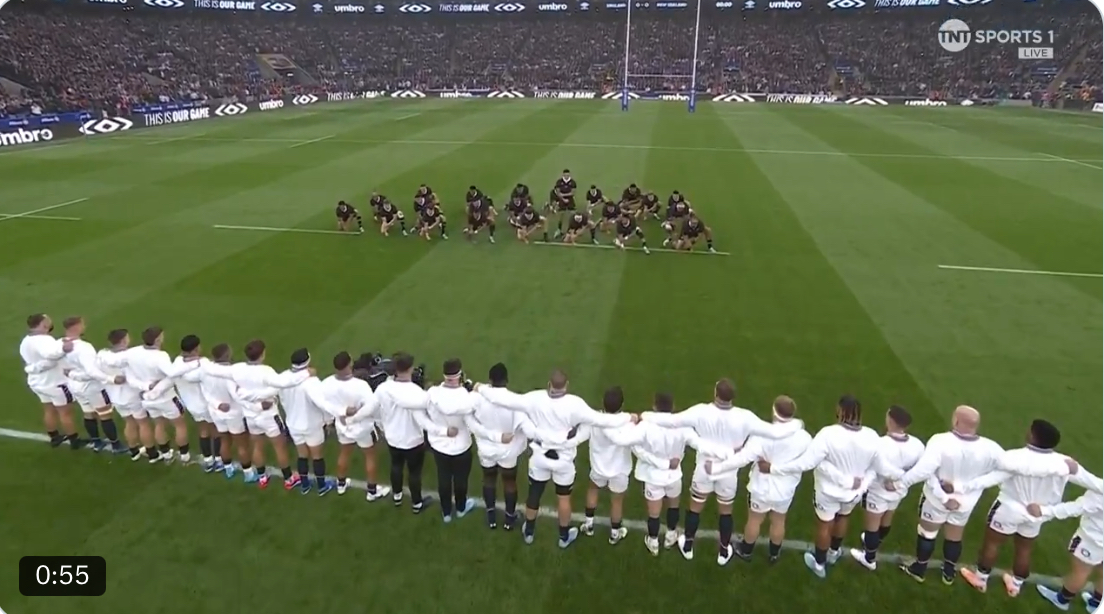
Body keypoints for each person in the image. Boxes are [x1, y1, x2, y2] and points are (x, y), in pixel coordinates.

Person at [640, 379, 804, 565]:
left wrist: (644, 416)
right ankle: (724, 550)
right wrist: (797, 424)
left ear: (715, 393)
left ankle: (688, 546)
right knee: (726, 510)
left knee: (696, 506)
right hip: (728, 471)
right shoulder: (745, 417)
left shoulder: (700, 411)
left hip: (704, 469)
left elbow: (671, 421)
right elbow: (775, 432)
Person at [475, 370, 637, 548]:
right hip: (563, 462)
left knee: (534, 494)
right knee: (563, 498)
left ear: (548, 385)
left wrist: (480, 388)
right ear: (566, 386)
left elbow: (504, 399)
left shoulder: (535, 398)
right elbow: (603, 420)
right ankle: (563, 537)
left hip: (540, 458)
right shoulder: (575, 404)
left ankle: (529, 532)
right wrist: (629, 417)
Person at [760, 395, 903, 579]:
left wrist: (774, 468)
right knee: (843, 517)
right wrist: (899, 478)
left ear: (840, 412)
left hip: (828, 493)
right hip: (852, 495)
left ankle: (819, 563)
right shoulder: (872, 436)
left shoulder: (828, 434)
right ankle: (834, 553)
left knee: (824, 525)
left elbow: (805, 463)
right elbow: (881, 468)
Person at [956, 420, 1098, 597]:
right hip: (1038, 513)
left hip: (1008, 509)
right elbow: (1094, 483)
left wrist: (960, 488)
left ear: (1032, 435)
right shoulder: (1065, 463)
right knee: (1025, 549)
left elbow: (992, 477)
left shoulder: (1015, 458)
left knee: (992, 544)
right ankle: (1015, 585)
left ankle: (981, 578)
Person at [894, 406, 1033, 585]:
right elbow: (1009, 470)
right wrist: (970, 486)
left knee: (927, 533)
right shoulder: (991, 448)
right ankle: (949, 572)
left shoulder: (940, 441)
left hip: (937, 500)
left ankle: (919, 569)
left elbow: (925, 471)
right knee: (955, 536)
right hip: (965, 503)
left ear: (956, 421)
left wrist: (901, 483)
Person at [704, 395, 810, 564]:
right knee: (779, 521)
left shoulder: (763, 435)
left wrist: (717, 468)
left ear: (774, 412)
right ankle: (774, 554)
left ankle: (746, 550)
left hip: (762, 488)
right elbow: (806, 462)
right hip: (785, 490)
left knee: (755, 519)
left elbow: (742, 459)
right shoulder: (804, 438)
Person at [468, 362, 564, 531]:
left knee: (489, 479)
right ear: (507, 380)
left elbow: (470, 420)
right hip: (508, 452)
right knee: (509, 481)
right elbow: (528, 430)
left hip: (486, 450)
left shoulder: (476, 399)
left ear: (490, 380)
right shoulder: (514, 402)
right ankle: (509, 519)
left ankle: (491, 517)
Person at [202, 339, 311, 487]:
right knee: (279, 446)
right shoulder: (266, 371)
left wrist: (199, 361)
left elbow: (213, 370)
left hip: (250, 416)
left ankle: (261, 477)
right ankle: (288, 479)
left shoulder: (238, 369)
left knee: (257, 446)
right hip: (268, 416)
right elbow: (284, 383)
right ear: (263, 354)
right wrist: (305, 373)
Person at [636, 391, 732, 556]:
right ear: (673, 407)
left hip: (653, 476)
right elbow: (699, 444)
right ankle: (671, 535)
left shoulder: (644, 426)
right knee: (673, 506)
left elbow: (637, 449)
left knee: (654, 512)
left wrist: (660, 463)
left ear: (654, 406)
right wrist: (725, 453)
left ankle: (653, 541)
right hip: (674, 476)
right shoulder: (682, 427)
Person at [100, 326, 200, 464]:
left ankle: (165, 453)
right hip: (166, 397)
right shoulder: (161, 356)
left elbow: (114, 362)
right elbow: (172, 373)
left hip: (147, 398)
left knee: (159, 424)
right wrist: (193, 364)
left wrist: (146, 387)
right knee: (179, 425)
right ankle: (184, 456)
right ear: (158, 339)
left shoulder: (132, 352)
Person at [848, 405, 926, 571]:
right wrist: (902, 480)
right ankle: (874, 542)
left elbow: (877, 467)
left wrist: (895, 477)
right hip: (899, 491)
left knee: (872, 524)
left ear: (890, 420)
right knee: (887, 517)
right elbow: (920, 469)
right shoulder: (917, 445)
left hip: (878, 490)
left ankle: (869, 558)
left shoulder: (880, 443)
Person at [1028, 474, 1104, 612]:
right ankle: (1096, 603)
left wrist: (1045, 511)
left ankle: (1062, 599)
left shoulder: (1100, 494)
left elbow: (1075, 508)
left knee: (1081, 572)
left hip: (1093, 541)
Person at [373, 352, 437, 513]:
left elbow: (374, 409)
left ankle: (397, 496)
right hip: (412, 439)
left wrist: (381, 427)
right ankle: (417, 503)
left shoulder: (383, 388)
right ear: (409, 369)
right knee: (414, 472)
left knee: (396, 466)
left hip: (393, 437)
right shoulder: (416, 391)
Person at [323, 351, 387, 499]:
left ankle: (341, 484)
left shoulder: (326, 383)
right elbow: (372, 406)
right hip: (363, 428)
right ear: (350, 364)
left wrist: (330, 420)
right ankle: (372, 491)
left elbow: (325, 404)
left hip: (342, 426)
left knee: (344, 453)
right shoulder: (360, 385)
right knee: (370, 456)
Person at [56, 316, 126, 453]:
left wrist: (71, 375)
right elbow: (92, 372)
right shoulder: (84, 348)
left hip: (74, 385)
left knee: (88, 413)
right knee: (105, 414)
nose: (84, 326)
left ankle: (96, 442)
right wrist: (111, 379)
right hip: (91, 386)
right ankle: (116, 445)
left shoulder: (59, 344)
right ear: (75, 327)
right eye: (82, 324)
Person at [19, 313, 84, 449]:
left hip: (37, 383)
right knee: (65, 412)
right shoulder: (44, 340)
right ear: (43, 324)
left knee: (49, 409)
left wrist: (32, 368)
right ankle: (74, 440)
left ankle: (54, 437)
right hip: (54, 383)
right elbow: (51, 356)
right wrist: (63, 349)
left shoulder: (26, 340)